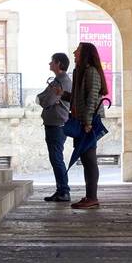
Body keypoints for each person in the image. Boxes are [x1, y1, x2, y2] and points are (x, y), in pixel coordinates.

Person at [69, 42, 109, 209]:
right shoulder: (80, 71)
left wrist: (87, 122)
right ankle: (89, 196)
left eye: (77, 50)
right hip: (83, 120)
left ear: (84, 53)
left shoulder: (91, 72)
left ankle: (92, 197)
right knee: (86, 159)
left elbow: (92, 98)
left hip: (89, 121)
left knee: (90, 159)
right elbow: (79, 97)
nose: (74, 52)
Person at [36, 52, 73, 202]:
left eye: (52, 61)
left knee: (56, 159)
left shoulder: (60, 82)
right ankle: (61, 190)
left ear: (58, 63)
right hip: (55, 124)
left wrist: (46, 99)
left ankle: (63, 191)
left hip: (56, 125)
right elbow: (40, 97)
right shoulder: (58, 81)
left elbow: (45, 101)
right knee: (56, 158)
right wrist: (45, 98)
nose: (49, 64)